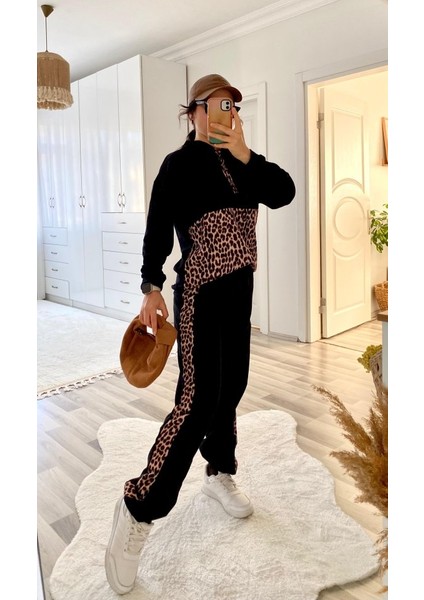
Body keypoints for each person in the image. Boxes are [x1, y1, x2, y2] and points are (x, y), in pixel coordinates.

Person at [105, 73, 296, 595]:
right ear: (193, 112)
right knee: (198, 398)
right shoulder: (178, 165)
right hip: (198, 294)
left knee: (232, 385)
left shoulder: (247, 163)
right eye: (216, 105)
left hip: (240, 291)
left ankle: (219, 471)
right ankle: (138, 506)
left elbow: (284, 192)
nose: (226, 113)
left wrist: (246, 153)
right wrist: (151, 285)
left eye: (233, 106)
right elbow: (157, 231)